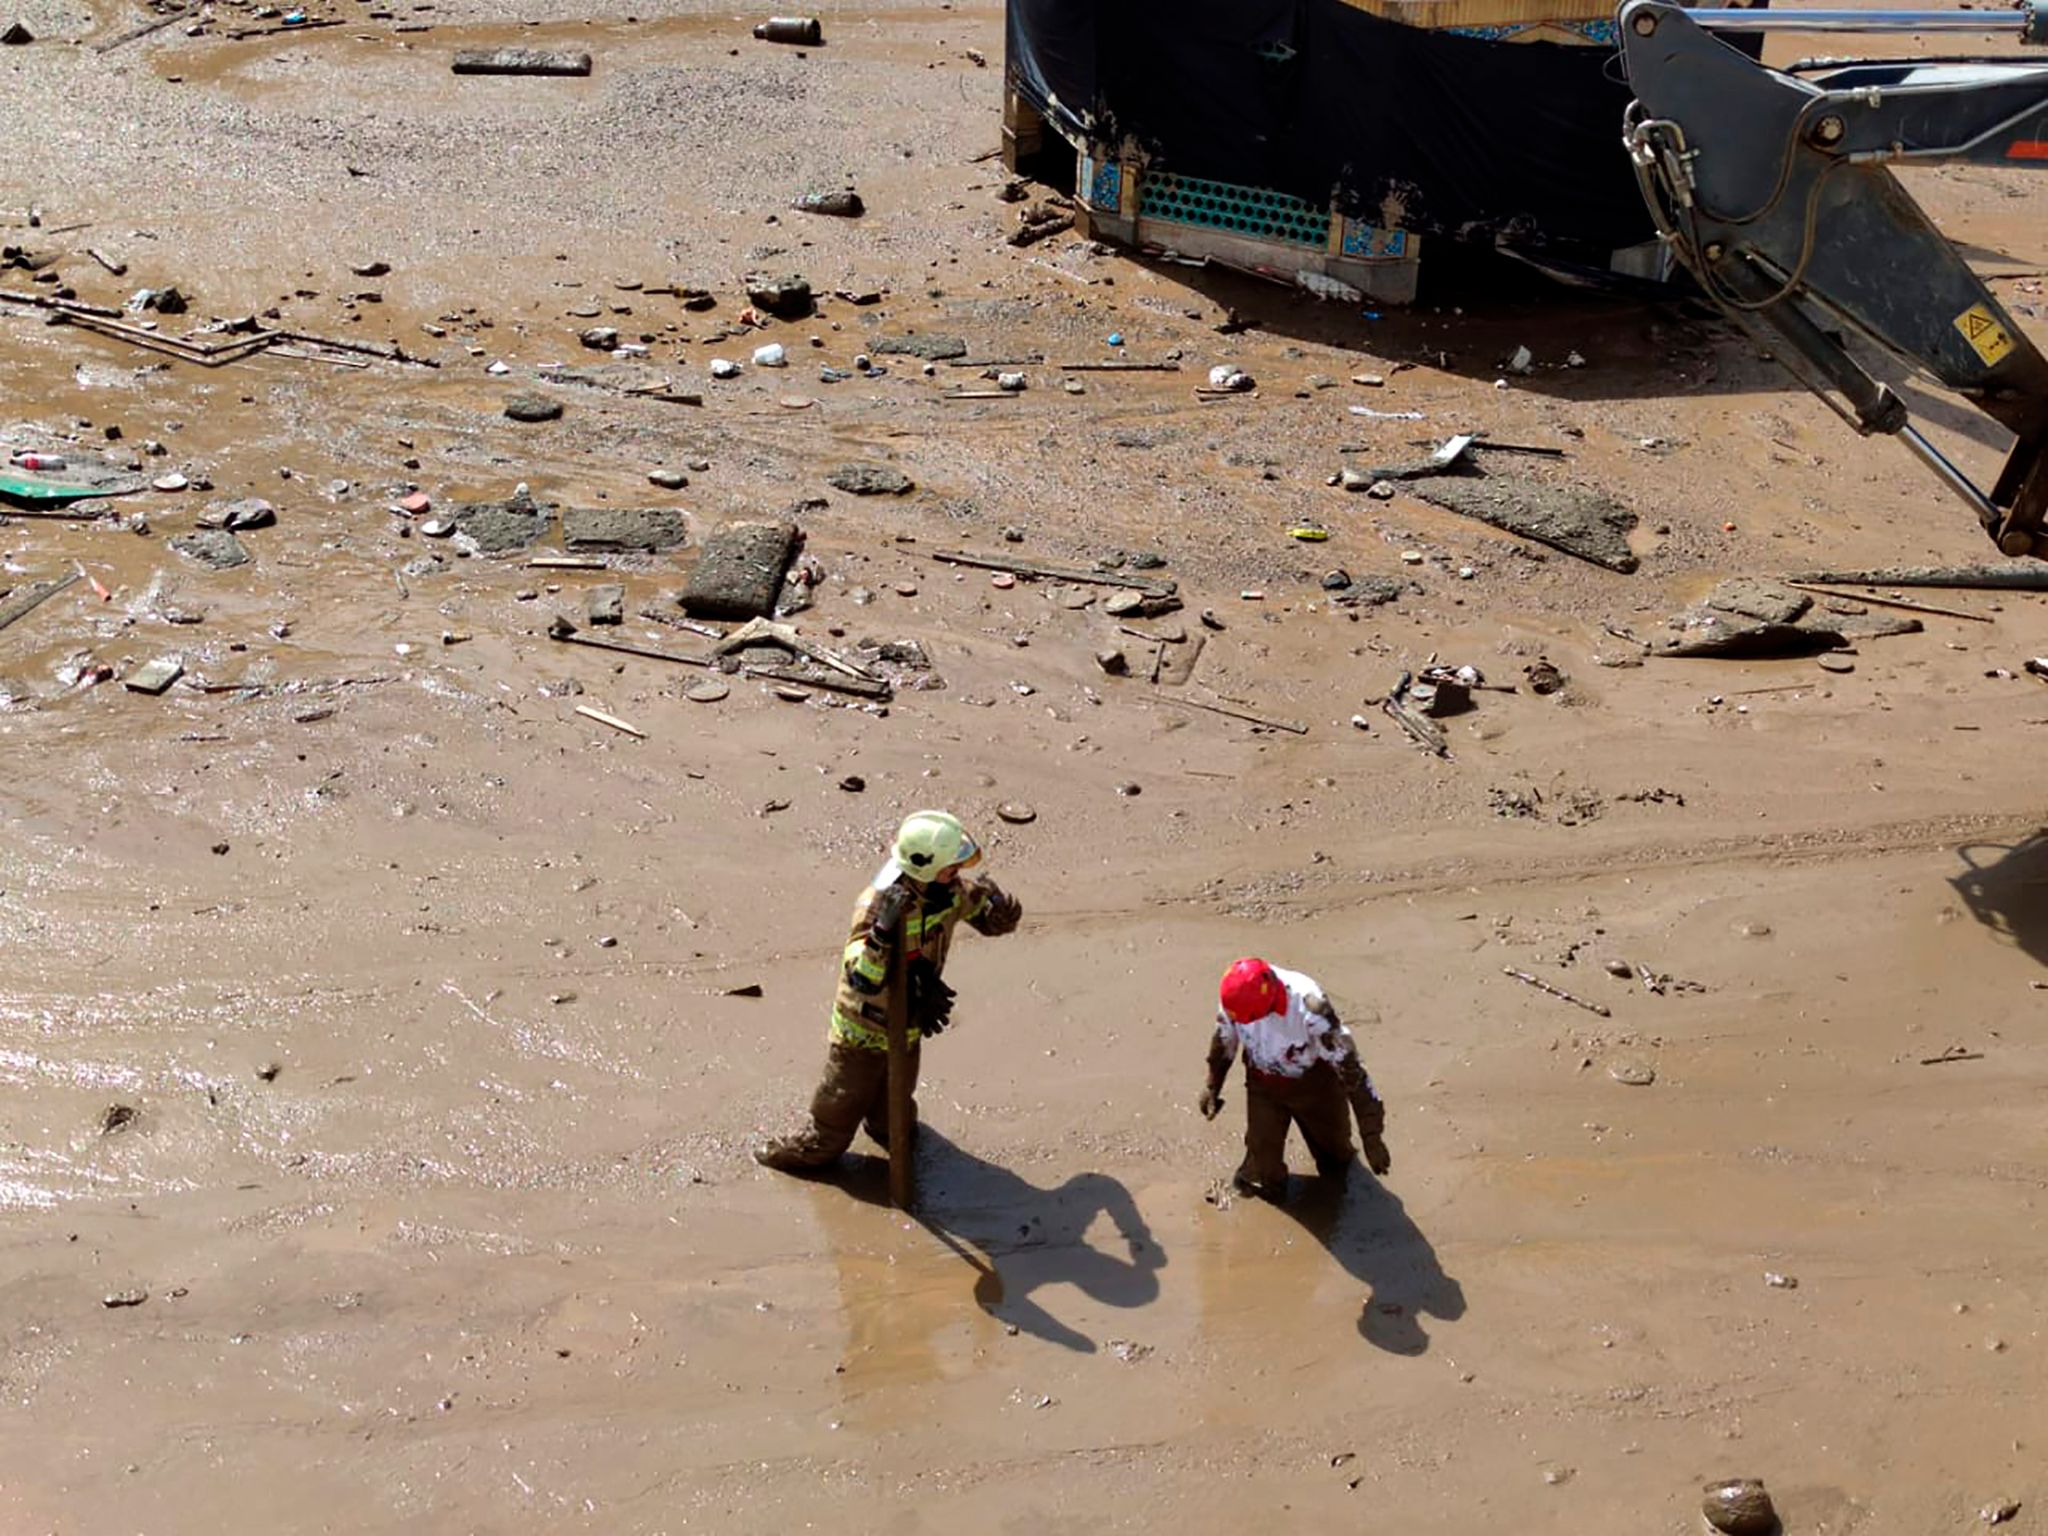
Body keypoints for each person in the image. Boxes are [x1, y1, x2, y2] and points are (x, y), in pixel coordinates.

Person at [755, 810, 1022, 1172]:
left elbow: (980, 915)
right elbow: (860, 977)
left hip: (909, 1020)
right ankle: (790, 1154)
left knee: (896, 1116)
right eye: (950, 867)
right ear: (925, 868)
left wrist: (1000, 919)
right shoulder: (878, 904)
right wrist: (882, 933)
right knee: (836, 1115)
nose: (956, 874)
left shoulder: (949, 892)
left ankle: (888, 1131)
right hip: (863, 1029)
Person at [1198, 957, 1389, 1201]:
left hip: (1314, 1085)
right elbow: (1224, 1039)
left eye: (1250, 1019)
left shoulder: (1310, 1005)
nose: (1245, 1024)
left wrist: (1372, 1136)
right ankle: (1267, 1193)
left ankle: (1335, 1201)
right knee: (1262, 1160)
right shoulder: (1236, 996)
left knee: (1337, 1159)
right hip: (1263, 1082)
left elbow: (1352, 1071)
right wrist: (1212, 1086)